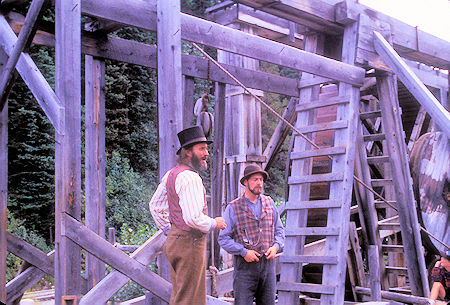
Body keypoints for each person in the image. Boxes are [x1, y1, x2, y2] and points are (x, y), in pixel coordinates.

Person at [149, 126, 227, 305]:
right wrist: (215, 222)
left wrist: (172, 230)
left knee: (180, 295)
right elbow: (193, 218)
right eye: (201, 149)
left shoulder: (172, 174)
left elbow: (155, 206)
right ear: (187, 152)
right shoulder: (191, 178)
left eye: (206, 148)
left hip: (175, 243)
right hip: (190, 244)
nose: (206, 153)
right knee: (190, 299)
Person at [218, 163, 285, 305]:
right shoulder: (233, 207)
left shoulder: (269, 203)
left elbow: (279, 231)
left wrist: (275, 247)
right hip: (245, 269)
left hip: (268, 267)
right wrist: (243, 252)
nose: (259, 183)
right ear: (246, 182)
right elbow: (223, 239)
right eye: (255, 179)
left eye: (261, 180)